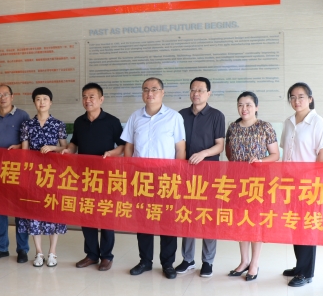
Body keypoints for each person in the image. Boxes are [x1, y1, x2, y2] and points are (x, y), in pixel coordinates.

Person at [122, 78, 186, 279]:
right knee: (143, 221)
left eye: (154, 89)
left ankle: (167, 264)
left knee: (168, 221)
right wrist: (130, 171)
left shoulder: (174, 117)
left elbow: (180, 149)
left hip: (166, 178)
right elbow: (129, 147)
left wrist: (177, 176)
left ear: (162, 92)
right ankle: (145, 261)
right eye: (146, 90)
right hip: (141, 179)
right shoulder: (135, 117)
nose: (150, 93)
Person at [62, 83, 125, 271]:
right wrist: (68, 150)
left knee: (105, 215)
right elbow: (74, 144)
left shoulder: (112, 121)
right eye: (84, 97)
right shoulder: (79, 121)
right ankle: (91, 254)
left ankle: (106, 256)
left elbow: (122, 146)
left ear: (101, 99)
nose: (87, 100)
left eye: (91, 96)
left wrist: (111, 154)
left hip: (106, 177)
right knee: (86, 214)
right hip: (84, 176)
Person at [225, 91, 279, 281]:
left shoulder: (265, 127)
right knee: (240, 220)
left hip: (258, 182)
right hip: (237, 181)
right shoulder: (232, 127)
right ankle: (244, 261)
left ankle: (254, 263)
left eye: (248, 104)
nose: (244, 108)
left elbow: (275, 155)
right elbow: (229, 153)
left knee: (256, 221)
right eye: (240, 104)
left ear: (256, 107)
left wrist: (261, 161)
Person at [174, 77, 225, 278]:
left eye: (201, 90)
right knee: (187, 214)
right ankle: (188, 260)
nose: (196, 93)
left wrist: (203, 154)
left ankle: (208, 262)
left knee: (208, 216)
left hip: (210, 174)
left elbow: (220, 145)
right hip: (186, 174)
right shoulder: (180, 115)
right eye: (193, 90)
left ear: (208, 93)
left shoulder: (216, 115)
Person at [280, 83, 323, 287]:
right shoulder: (288, 122)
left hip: (308, 184)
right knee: (295, 224)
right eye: (292, 97)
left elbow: (322, 154)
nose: (296, 101)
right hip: (289, 183)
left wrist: (316, 184)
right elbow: (286, 153)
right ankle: (299, 266)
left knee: (307, 226)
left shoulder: (318, 123)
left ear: (310, 99)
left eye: (301, 96)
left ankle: (306, 273)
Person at [0, 85, 31, 264]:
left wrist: (18, 147)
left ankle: (22, 249)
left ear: (12, 96)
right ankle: (1, 248)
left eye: (5, 94)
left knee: (20, 211)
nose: (2, 98)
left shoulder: (23, 115)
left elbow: (29, 141)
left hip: (18, 172)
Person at [18, 87, 68, 267]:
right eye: (38, 99)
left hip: (53, 174)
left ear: (51, 102)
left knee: (53, 210)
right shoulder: (27, 125)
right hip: (33, 174)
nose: (41, 102)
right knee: (34, 211)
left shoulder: (58, 124)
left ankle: (52, 252)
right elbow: (24, 151)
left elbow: (66, 148)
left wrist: (53, 148)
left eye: (45, 99)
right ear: (34, 102)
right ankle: (38, 253)